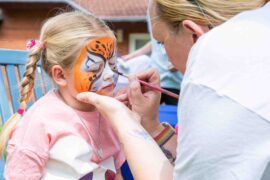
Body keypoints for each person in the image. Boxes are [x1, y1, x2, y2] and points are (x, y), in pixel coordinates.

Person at [76, 0, 270, 179]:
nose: (165, 59)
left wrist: (125, 121)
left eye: (161, 43)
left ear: (194, 34)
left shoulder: (214, 80)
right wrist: (151, 125)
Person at [0, 12, 125, 179]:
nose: (110, 74)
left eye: (113, 64)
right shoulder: (39, 123)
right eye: (95, 68)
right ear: (60, 75)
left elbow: (116, 173)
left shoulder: (110, 111)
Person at [122, 15, 183, 105]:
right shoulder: (149, 10)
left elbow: (184, 36)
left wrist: (180, 61)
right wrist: (132, 55)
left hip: (175, 81)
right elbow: (154, 41)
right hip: (154, 81)